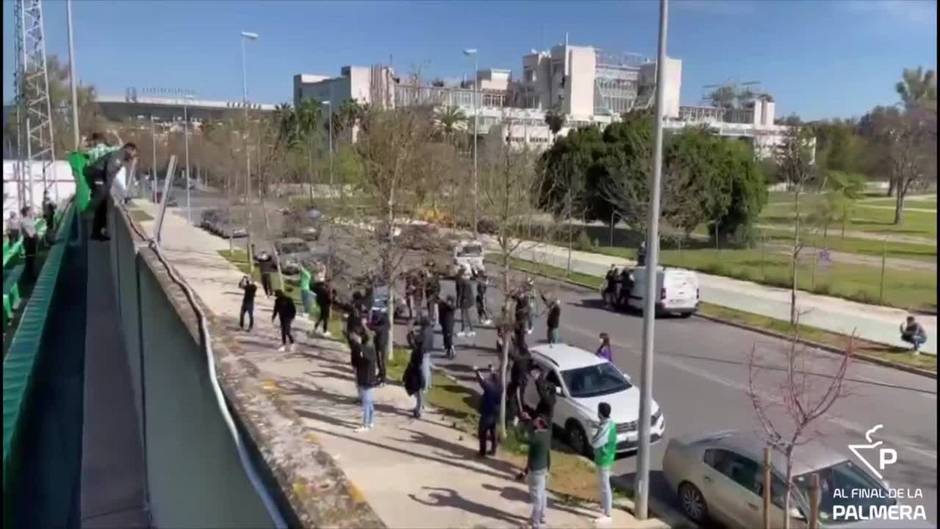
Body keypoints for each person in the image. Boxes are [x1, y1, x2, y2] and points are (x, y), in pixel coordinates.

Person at [84, 142, 138, 240]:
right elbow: (109, 172)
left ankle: (96, 232)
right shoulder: (119, 155)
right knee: (102, 192)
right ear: (129, 150)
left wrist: (121, 194)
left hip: (100, 173)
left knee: (104, 203)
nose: (133, 155)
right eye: (134, 152)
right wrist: (108, 187)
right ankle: (89, 212)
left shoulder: (121, 158)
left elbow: (112, 176)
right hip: (97, 172)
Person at [518, 416, 551, 529]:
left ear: (540, 424)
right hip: (544, 468)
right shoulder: (547, 434)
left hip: (535, 471)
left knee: (536, 497)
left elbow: (520, 438)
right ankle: (542, 516)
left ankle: (535, 523)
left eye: (536, 420)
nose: (534, 421)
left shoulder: (536, 437)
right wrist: (529, 421)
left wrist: (518, 424)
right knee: (542, 494)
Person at [591, 402, 617, 525]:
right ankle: (604, 506)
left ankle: (607, 513)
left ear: (600, 413)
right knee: (603, 484)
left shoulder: (605, 428)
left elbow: (595, 442)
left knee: (605, 486)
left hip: (604, 459)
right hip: (607, 457)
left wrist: (593, 433)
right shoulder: (610, 423)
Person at [355, 331, 380, 432]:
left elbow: (362, 359)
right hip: (370, 379)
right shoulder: (372, 349)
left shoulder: (366, 350)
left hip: (366, 379)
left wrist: (358, 344)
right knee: (369, 402)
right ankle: (370, 421)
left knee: (366, 402)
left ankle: (365, 424)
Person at [475, 365, 502, 457]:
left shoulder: (489, 387)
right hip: (496, 413)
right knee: (493, 432)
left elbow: (481, 381)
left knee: (482, 432)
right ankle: (493, 450)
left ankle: (482, 451)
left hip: (487, 412)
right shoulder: (500, 387)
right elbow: (492, 377)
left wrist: (476, 371)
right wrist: (492, 371)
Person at [507, 344, 531, 427]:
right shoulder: (527, 357)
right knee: (513, 409)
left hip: (514, 390)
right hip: (516, 390)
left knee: (513, 409)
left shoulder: (521, 360)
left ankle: (513, 423)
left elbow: (517, 391)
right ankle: (513, 423)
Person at [19, 207, 38, 280]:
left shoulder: (30, 219)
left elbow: (33, 229)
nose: (32, 212)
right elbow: (28, 232)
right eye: (30, 211)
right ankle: (30, 275)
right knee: (30, 258)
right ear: (26, 212)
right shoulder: (24, 221)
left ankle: (31, 273)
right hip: (29, 240)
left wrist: (36, 235)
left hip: (32, 239)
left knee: (32, 257)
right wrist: (33, 236)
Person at [371, 310, 389, 384]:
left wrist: (369, 325)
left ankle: (383, 378)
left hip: (382, 343)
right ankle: (380, 373)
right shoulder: (380, 318)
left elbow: (378, 329)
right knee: (378, 360)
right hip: (378, 341)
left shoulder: (385, 323)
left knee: (382, 361)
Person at [456, 270, 475, 337]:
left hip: (465, 301)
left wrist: (459, 303)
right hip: (466, 300)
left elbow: (461, 293)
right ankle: (468, 330)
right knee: (465, 316)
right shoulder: (465, 282)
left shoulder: (462, 282)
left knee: (465, 316)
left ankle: (465, 330)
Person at [438, 294, 457, 359]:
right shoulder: (443, 306)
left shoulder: (451, 307)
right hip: (444, 324)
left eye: (449, 301)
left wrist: (445, 302)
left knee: (449, 339)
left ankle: (452, 351)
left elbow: (451, 307)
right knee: (445, 338)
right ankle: (447, 352)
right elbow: (440, 313)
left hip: (449, 325)